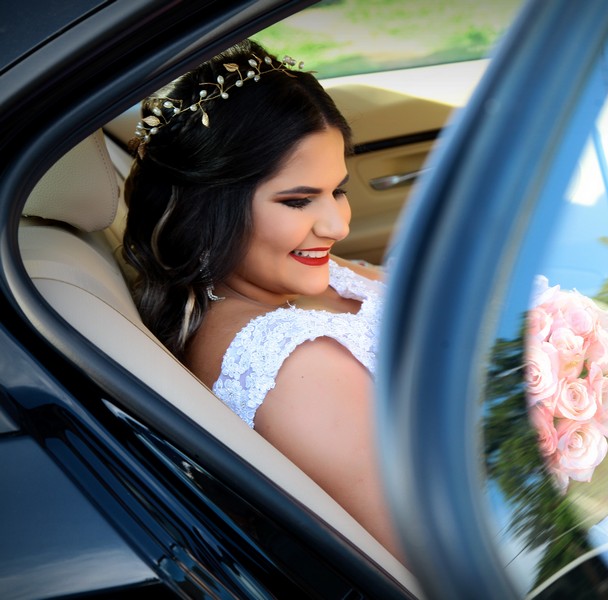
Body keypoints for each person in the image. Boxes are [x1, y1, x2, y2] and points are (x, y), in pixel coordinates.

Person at [122, 40, 400, 558]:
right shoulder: (291, 366)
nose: (337, 226)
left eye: (338, 191)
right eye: (298, 200)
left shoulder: (291, 274)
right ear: (212, 207)